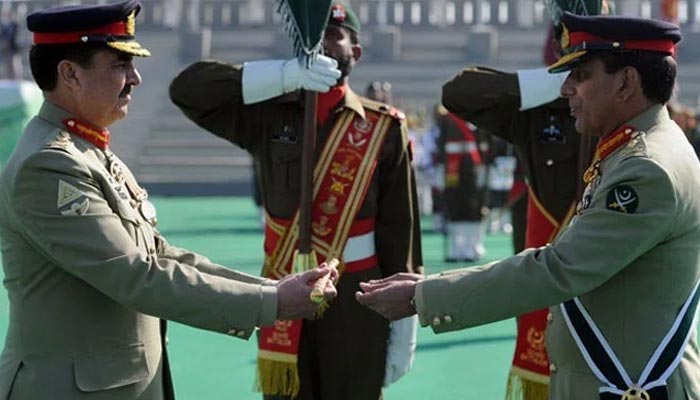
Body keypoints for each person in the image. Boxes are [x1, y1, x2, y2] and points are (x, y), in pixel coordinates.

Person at [0, 1, 339, 399]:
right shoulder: (49, 165)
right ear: (70, 73)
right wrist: (273, 301)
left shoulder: (88, 150)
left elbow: (160, 255)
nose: (136, 78)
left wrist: (270, 288)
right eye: (120, 65)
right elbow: (137, 275)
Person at [358, 12, 700, 400]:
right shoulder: (635, 149)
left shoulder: (645, 168)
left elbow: (559, 268)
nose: (567, 88)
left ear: (626, 82)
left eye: (582, 75)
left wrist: (424, 295)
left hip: (629, 386)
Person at [169, 3, 423, 400]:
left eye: (334, 34)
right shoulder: (270, 112)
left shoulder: (382, 127)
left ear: (355, 51)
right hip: (284, 287)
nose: (322, 43)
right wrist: (281, 76)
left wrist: (405, 321)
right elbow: (187, 90)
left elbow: (399, 228)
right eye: (313, 35)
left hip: (358, 294)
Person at [439, 1, 609, 396]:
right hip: (545, 276)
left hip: (607, 276)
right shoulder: (537, 110)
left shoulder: (624, 107)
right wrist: (547, 85)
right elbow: (457, 93)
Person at [434, 107, 489, 262]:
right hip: (452, 169)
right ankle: (455, 248)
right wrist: (439, 167)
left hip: (472, 169)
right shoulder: (447, 119)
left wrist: (483, 169)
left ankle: (472, 247)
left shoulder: (478, 117)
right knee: (453, 207)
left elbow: (483, 145)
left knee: (472, 208)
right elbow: (441, 144)